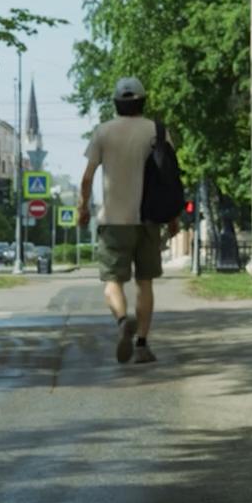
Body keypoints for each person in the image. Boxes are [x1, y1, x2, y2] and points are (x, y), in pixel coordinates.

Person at [80, 76, 163, 364]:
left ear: (116, 103)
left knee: (113, 282)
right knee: (145, 282)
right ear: (143, 101)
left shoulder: (103, 132)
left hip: (113, 222)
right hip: (149, 219)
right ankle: (141, 345)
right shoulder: (156, 131)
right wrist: (173, 215)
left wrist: (82, 208)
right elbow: (169, 177)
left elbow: (87, 178)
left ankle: (121, 321)